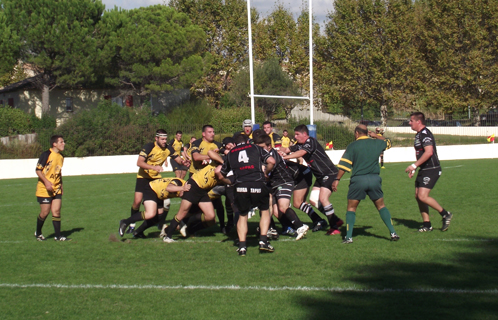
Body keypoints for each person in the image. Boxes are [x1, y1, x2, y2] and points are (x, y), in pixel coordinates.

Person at [333, 124, 399, 243]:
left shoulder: (353, 146)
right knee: (381, 206)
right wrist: (376, 136)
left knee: (351, 208)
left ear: (357, 133)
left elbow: (344, 165)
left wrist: (337, 180)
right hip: (374, 179)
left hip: (358, 180)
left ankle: (348, 237)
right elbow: (388, 142)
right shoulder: (376, 143)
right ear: (367, 132)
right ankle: (393, 232)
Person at [280, 124, 343, 235]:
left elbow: (302, 153)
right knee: (314, 200)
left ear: (305, 134)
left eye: (297, 134)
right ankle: (336, 220)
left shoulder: (311, 141)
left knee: (323, 199)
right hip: (320, 176)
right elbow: (287, 149)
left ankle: (334, 227)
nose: (295, 137)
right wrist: (278, 152)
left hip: (329, 173)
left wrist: (284, 157)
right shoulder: (300, 144)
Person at [220, 134, 276, 256]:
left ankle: (242, 247)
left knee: (242, 215)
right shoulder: (255, 148)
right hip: (257, 183)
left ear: (234, 144)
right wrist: (266, 172)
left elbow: (220, 175)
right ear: (248, 141)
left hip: (240, 186)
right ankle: (263, 241)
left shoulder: (230, 154)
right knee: (265, 210)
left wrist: (230, 182)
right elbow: (272, 161)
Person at [127, 129, 184, 234]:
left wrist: (184, 162)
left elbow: (178, 159)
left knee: (160, 207)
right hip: (143, 177)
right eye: (162, 139)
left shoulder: (168, 148)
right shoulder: (149, 147)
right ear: (156, 138)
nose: (164, 141)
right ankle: (132, 225)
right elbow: (139, 162)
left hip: (156, 179)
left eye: (165, 139)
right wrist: (153, 168)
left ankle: (158, 224)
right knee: (137, 202)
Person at [254, 134, 309, 240]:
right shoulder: (267, 154)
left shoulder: (272, 156)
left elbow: (265, 173)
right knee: (275, 211)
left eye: (261, 148)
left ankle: (300, 226)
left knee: (283, 207)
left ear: (269, 146)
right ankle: (288, 227)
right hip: (274, 184)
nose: (259, 150)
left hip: (284, 182)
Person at [404, 112, 453, 232]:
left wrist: (414, 165)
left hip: (432, 169)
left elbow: (429, 152)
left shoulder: (425, 134)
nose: (409, 123)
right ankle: (427, 224)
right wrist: (416, 167)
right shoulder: (418, 135)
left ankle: (445, 214)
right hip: (424, 169)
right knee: (418, 196)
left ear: (418, 121)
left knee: (422, 196)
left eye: (411, 121)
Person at [119, 177, 191, 238]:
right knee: (150, 213)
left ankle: (138, 232)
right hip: (151, 189)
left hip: (159, 195)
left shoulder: (187, 190)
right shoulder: (179, 183)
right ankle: (125, 222)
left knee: (157, 218)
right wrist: (182, 188)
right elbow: (169, 187)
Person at [34, 135, 70, 241]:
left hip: (56, 187)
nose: (63, 144)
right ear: (54, 144)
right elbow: (38, 170)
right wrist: (46, 182)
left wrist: (61, 185)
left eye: (63, 142)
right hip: (44, 188)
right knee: (45, 212)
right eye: (61, 142)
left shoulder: (61, 157)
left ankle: (58, 236)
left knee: (56, 211)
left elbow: (58, 172)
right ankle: (38, 232)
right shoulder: (46, 154)